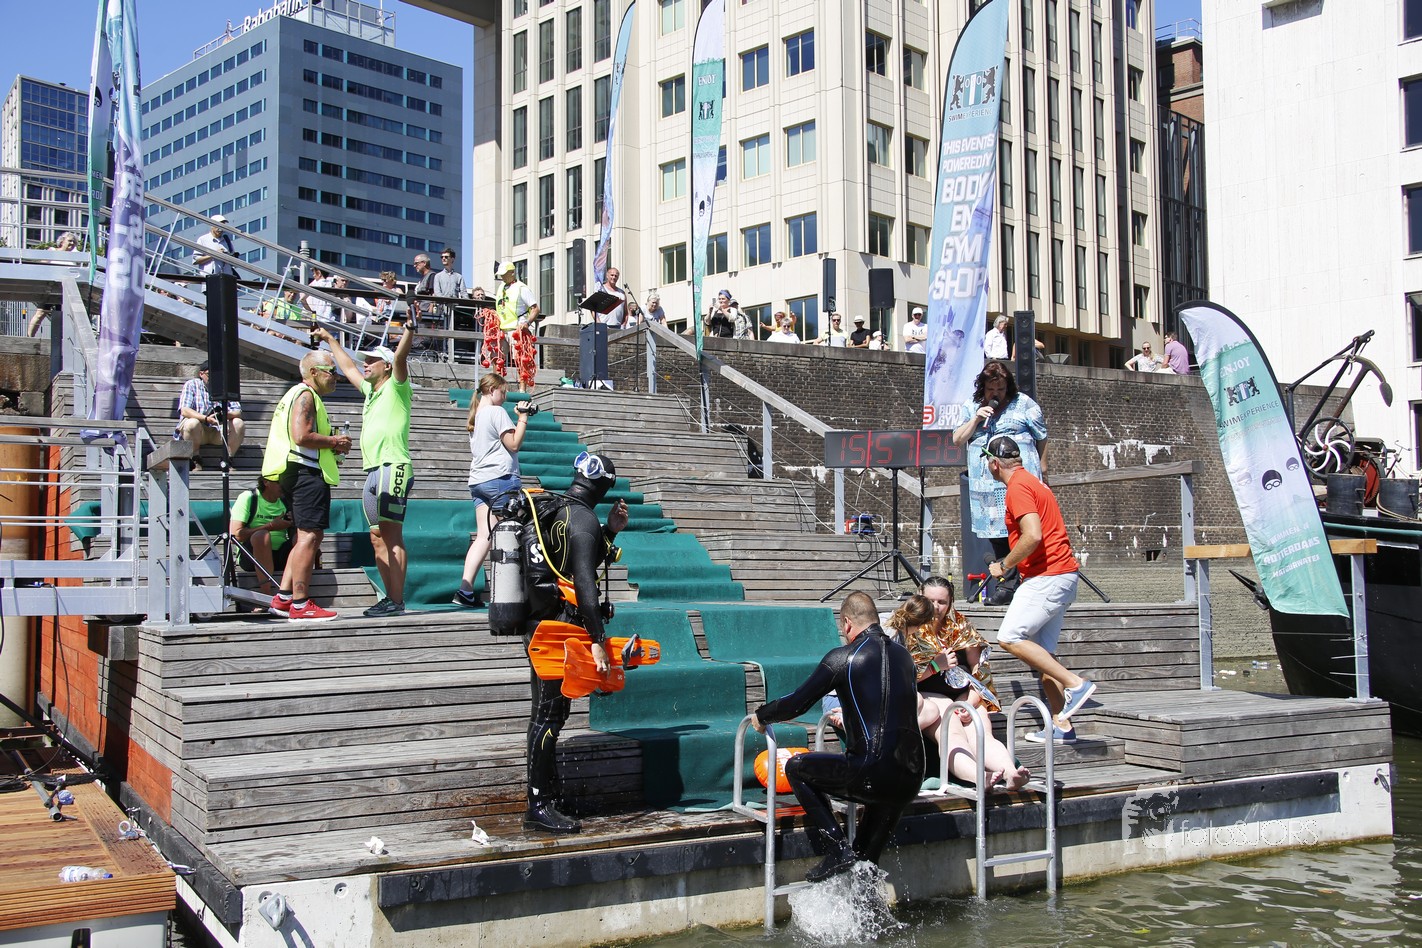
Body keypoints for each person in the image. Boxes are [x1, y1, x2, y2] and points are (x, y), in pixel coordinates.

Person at [751, 592, 924, 882]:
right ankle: (867, 907)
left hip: (869, 770)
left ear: (846, 623)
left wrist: (762, 716)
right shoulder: (904, 656)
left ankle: (836, 847)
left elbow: (797, 703)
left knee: (797, 768)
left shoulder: (844, 657)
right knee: (866, 862)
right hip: (909, 775)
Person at [520, 451, 630, 833]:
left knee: (546, 713)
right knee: (549, 716)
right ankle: (538, 805)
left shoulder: (557, 510)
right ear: (604, 486)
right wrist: (598, 638)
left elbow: (567, 562)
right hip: (560, 630)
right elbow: (584, 581)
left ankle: (546, 795)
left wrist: (610, 531)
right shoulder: (583, 519)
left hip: (541, 624)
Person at [983, 435, 1096, 742]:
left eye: (987, 462)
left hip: (1047, 576)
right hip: (1060, 576)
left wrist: (1005, 564)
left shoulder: (1018, 487)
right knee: (1043, 656)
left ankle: (1076, 684)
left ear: (994, 464)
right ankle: (1062, 725)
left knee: (1009, 637)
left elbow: (1032, 535)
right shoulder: (1034, 482)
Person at [319, 323, 416, 619]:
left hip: (393, 465)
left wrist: (409, 330)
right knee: (376, 536)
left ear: (386, 366)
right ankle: (389, 598)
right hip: (373, 470)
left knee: (391, 534)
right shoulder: (370, 392)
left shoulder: (397, 385)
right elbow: (348, 367)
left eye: (372, 360)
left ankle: (396, 600)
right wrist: (330, 339)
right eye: (366, 360)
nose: (366, 363)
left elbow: (400, 358)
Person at [898, 584, 1028, 790]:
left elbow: (979, 669)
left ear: (950, 603)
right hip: (932, 695)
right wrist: (935, 666)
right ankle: (979, 777)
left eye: (942, 602)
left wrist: (970, 700)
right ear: (919, 598)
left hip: (966, 694)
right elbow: (902, 679)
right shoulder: (909, 629)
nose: (936, 607)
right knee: (954, 734)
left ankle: (1011, 773)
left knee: (981, 734)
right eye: (931, 601)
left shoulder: (961, 626)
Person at [261, 349, 353, 622]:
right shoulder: (305, 395)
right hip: (305, 473)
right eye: (331, 371)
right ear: (314, 372)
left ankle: (284, 597)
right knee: (309, 537)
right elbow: (301, 435)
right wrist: (335, 441)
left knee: (307, 537)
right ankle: (300, 603)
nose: (336, 377)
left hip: (293, 471)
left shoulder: (296, 394)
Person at [952, 360, 1048, 605]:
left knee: (1022, 527)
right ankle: (1007, 585)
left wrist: (1044, 471)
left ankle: (1028, 581)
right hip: (986, 483)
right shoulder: (971, 406)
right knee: (996, 533)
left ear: (1009, 387)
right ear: (982, 388)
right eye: (991, 390)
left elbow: (1042, 437)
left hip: (1016, 479)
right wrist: (976, 419)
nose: (996, 394)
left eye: (1001, 389)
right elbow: (957, 439)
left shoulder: (1024, 404)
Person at [454, 372, 532, 608]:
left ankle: (465, 590)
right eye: (503, 392)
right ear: (491, 390)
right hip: (501, 478)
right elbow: (514, 444)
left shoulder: (476, 416)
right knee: (513, 533)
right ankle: (516, 593)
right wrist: (523, 418)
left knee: (483, 537)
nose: (505, 397)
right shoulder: (496, 412)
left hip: (478, 482)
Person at [228, 475, 293, 600]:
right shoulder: (249, 497)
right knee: (261, 536)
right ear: (266, 482)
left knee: (304, 537)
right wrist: (270, 526)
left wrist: (295, 522)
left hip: (280, 555)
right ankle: (266, 597)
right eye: (280, 482)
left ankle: (299, 596)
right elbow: (235, 535)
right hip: (251, 556)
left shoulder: (286, 500)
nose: (284, 486)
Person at [174, 361, 245, 471]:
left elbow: (237, 412)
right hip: (198, 430)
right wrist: (206, 419)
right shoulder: (191, 384)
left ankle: (227, 459)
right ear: (201, 374)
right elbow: (184, 410)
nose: (213, 378)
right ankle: (195, 459)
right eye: (209, 374)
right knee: (192, 423)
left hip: (218, 430)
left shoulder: (225, 387)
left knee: (238, 423)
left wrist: (223, 415)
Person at [495, 259, 541, 389]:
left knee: (521, 359)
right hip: (502, 328)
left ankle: (522, 390)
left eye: (505, 274)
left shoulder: (522, 288)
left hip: (517, 329)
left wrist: (527, 322)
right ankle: (497, 387)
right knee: (498, 359)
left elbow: (535, 308)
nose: (503, 277)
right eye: (501, 274)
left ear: (512, 272)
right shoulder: (501, 287)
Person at [26, 233, 82, 337]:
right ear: (62, 241)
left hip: (65, 289)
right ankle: (30, 337)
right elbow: (42, 266)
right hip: (50, 288)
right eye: (70, 240)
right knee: (41, 313)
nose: (72, 243)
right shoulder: (52, 251)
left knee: (63, 317)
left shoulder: (74, 257)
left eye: (74, 242)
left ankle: (60, 340)